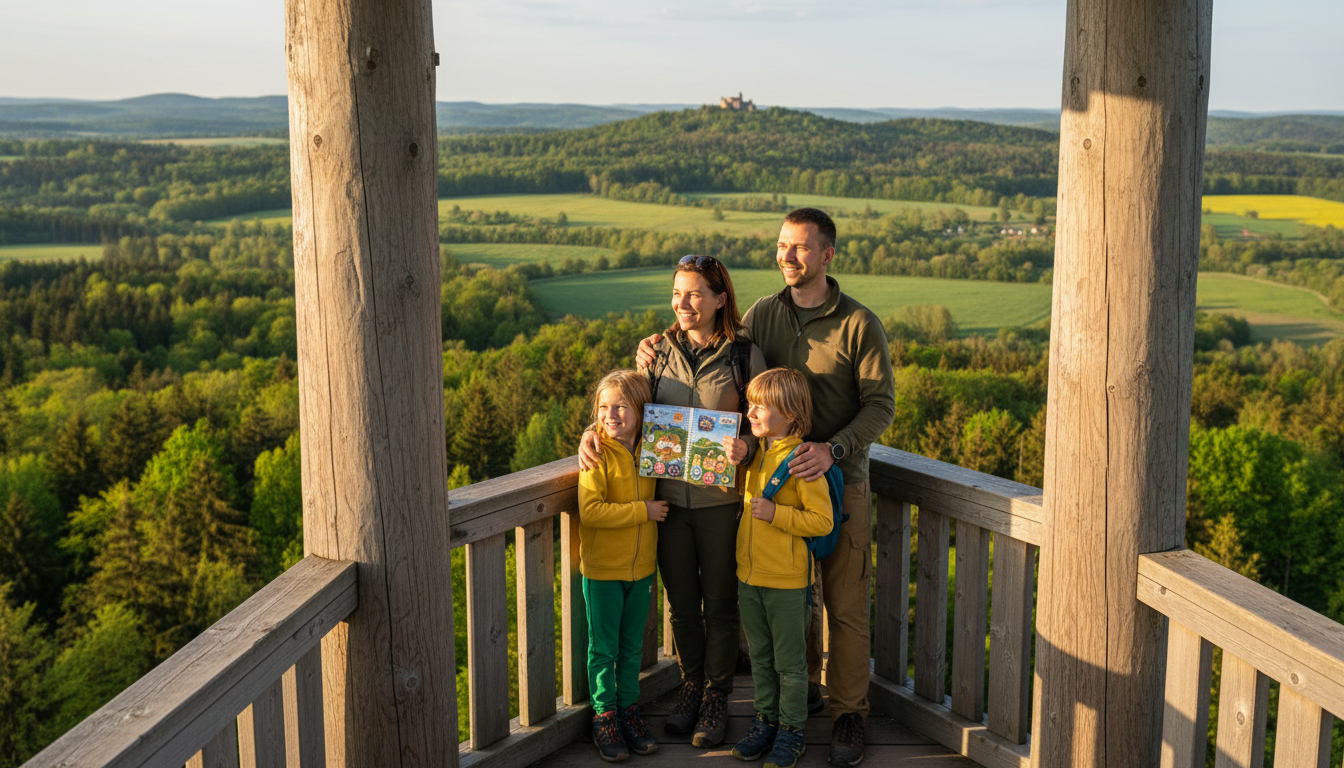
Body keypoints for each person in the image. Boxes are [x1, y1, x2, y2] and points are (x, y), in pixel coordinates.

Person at [636, 209, 895, 766]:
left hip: (837, 481)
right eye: (782, 246)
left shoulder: (857, 323)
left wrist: (834, 448)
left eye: (801, 248)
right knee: (786, 604)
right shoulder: (762, 315)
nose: (788, 256)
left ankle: (849, 715)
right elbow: (717, 355)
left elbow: (881, 405)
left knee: (844, 607)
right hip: (771, 482)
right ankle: (790, 711)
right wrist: (652, 348)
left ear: (827, 254)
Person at [579, 255, 766, 749]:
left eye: (695, 293)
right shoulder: (656, 352)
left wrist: (749, 444)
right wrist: (589, 433)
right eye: (677, 293)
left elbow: (768, 421)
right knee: (681, 606)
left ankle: (716, 697)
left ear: (720, 298)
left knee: (721, 606)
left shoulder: (744, 355)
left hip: (721, 501)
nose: (682, 303)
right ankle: (691, 688)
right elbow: (622, 409)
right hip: (666, 503)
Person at [729, 367, 834, 768]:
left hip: (788, 582)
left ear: (790, 414)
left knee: (790, 665)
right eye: (750, 404)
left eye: (761, 406)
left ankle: (792, 731)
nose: (751, 412)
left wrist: (777, 515)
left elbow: (821, 521)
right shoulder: (758, 454)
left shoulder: (801, 460)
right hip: (749, 577)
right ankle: (766, 721)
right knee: (759, 656)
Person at [578, 369, 668, 762]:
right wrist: (643, 511)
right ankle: (605, 716)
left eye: (620, 406)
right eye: (603, 407)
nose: (610, 414)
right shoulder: (596, 452)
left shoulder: (654, 447)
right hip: (602, 571)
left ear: (641, 409)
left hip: (642, 567)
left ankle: (629, 710)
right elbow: (591, 512)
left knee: (632, 648)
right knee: (604, 649)